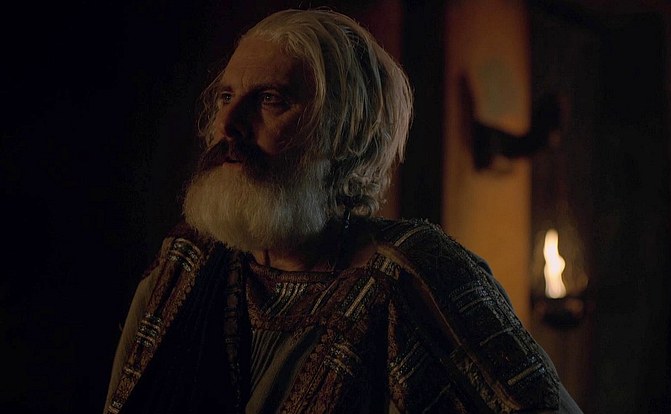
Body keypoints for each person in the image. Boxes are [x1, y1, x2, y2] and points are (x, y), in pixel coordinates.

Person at [103, 8, 583, 414]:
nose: (229, 124)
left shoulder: (412, 278)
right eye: (227, 97)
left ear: (345, 134)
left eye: (270, 100)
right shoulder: (183, 266)